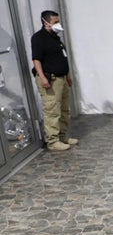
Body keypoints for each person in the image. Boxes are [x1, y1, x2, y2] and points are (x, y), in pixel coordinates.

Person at [31, 10, 76, 151]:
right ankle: (53, 141)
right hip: (50, 80)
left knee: (64, 109)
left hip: (61, 78)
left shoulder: (55, 37)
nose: (58, 24)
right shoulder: (38, 38)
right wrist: (43, 78)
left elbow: (62, 57)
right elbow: (36, 59)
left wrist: (67, 75)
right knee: (52, 110)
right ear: (46, 22)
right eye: (55, 22)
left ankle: (62, 136)